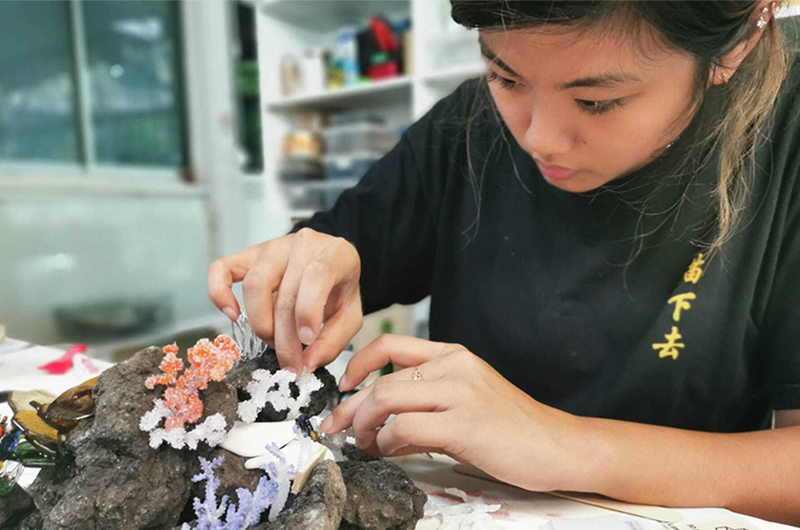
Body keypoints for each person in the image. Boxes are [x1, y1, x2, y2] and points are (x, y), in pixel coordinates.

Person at [208, 0, 800, 524]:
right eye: (504, 75)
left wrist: (566, 445)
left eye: (596, 101)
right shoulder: (467, 127)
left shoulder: (785, 135)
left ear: (737, 43)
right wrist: (309, 268)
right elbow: (333, 251)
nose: (538, 137)